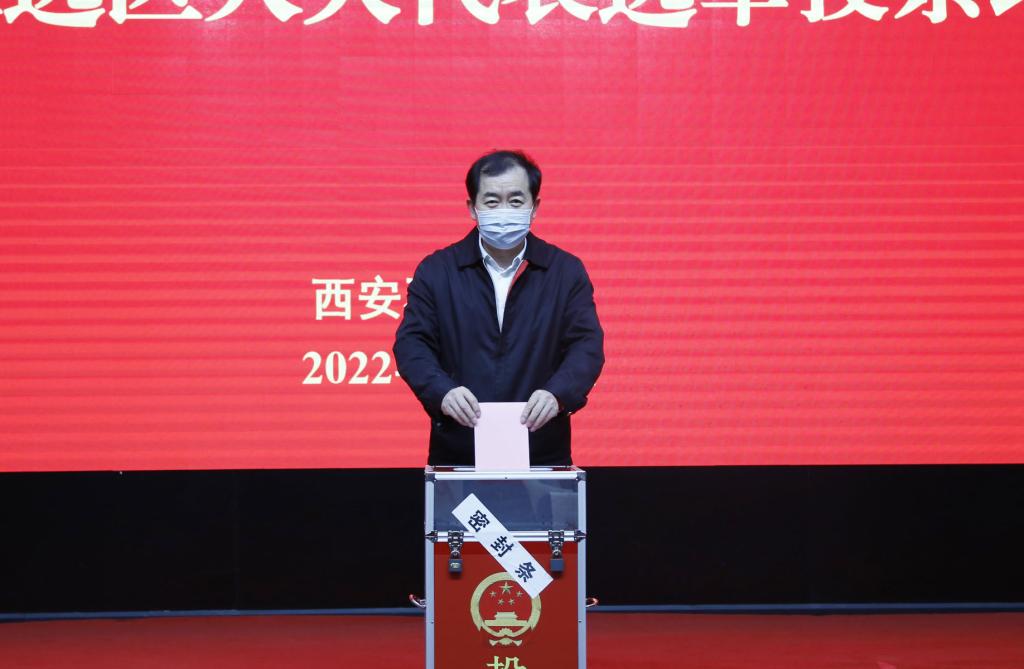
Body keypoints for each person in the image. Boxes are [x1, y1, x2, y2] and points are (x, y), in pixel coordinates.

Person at [393, 150, 604, 466]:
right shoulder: (438, 271)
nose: (504, 211)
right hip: (459, 447)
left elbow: (586, 346)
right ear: (472, 208)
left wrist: (558, 394)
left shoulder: (564, 271)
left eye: (516, 201)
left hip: (541, 447)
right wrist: (442, 392)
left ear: (534, 207)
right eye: (492, 202)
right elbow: (412, 344)